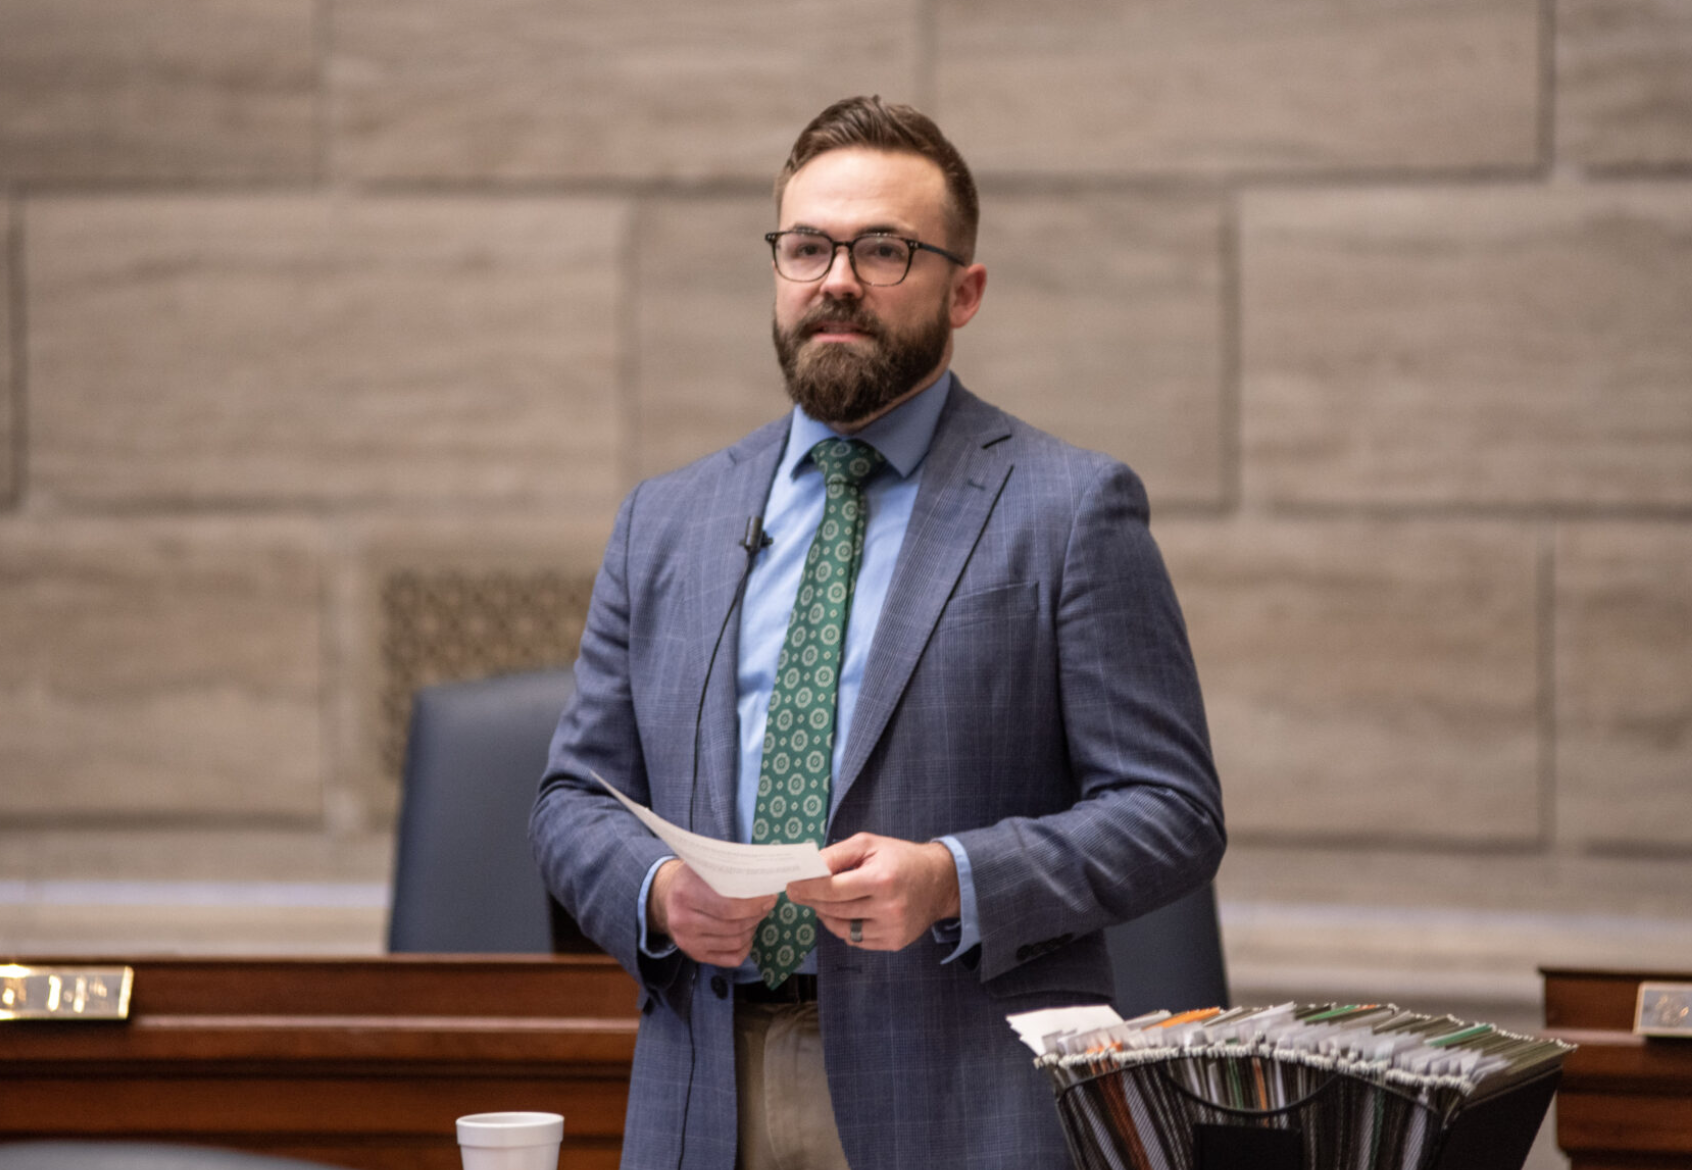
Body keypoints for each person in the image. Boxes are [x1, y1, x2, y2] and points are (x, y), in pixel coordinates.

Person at [530, 95, 1224, 1170]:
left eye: (884, 250)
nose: (837, 279)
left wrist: (954, 877)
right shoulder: (665, 521)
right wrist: (657, 893)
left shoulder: (1070, 509)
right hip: (705, 1098)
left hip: (965, 1104)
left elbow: (1173, 813)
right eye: (807, 247)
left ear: (966, 290)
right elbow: (572, 797)